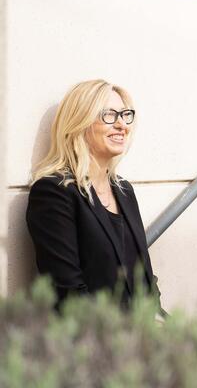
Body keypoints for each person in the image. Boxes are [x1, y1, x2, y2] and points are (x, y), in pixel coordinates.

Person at [26, 79, 160, 309]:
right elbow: (69, 295)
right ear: (80, 123)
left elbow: (146, 279)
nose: (121, 125)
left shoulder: (124, 190)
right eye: (109, 114)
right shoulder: (54, 193)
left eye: (125, 115)